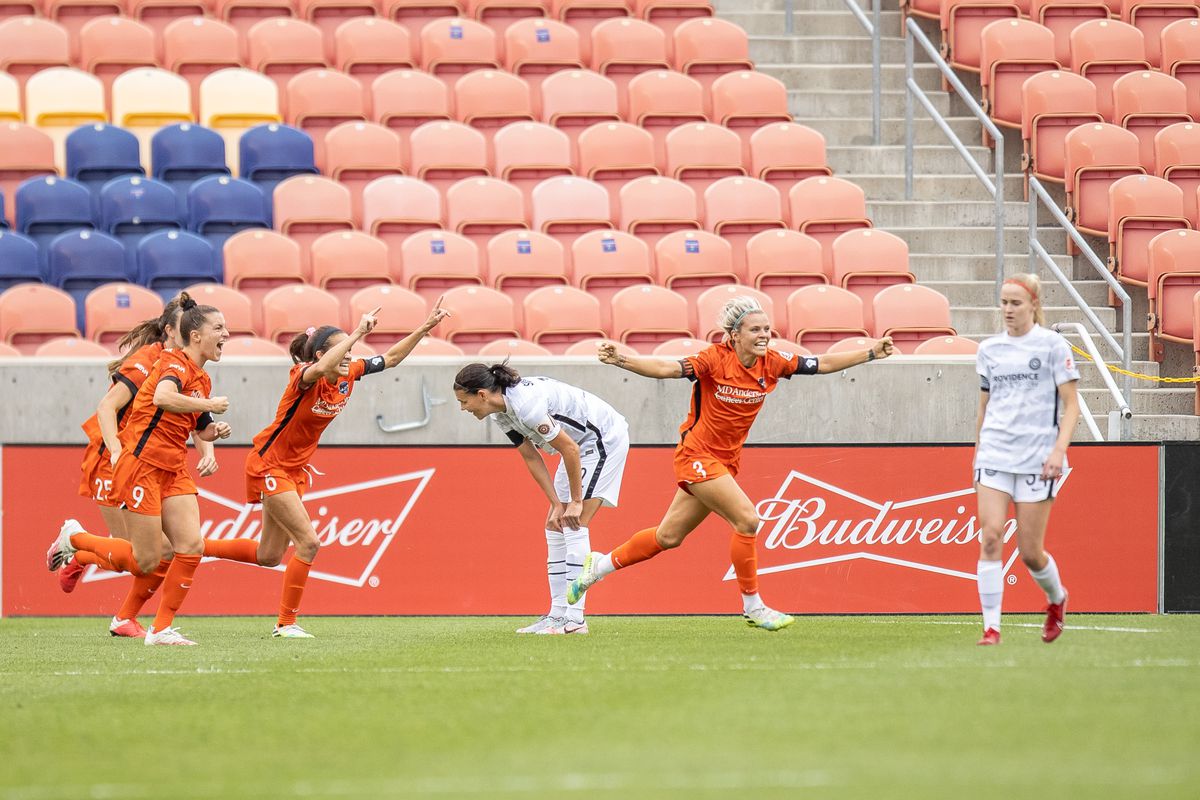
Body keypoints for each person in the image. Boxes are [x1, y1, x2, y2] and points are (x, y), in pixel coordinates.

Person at [566, 296, 894, 629]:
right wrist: (622, 359)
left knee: (668, 537)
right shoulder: (713, 359)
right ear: (735, 335)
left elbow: (819, 364)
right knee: (747, 520)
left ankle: (598, 567)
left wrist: (870, 353)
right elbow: (667, 369)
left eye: (767, 328)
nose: (764, 334)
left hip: (725, 462)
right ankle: (754, 607)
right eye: (755, 329)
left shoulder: (773, 362)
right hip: (696, 456)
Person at [201, 301, 449, 639]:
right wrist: (359, 333)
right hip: (269, 463)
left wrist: (423, 329)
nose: (349, 356)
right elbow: (320, 368)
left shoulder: (347, 375)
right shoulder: (302, 376)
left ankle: (194, 547)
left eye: (350, 350)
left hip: (295, 469)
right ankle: (286, 624)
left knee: (269, 555)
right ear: (319, 356)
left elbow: (390, 359)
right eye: (342, 350)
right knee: (309, 543)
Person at [46, 292, 232, 646]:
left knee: (186, 546)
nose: (226, 335)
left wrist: (210, 440)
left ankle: (154, 627)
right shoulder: (159, 362)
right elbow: (125, 404)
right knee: (141, 557)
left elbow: (195, 420)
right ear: (180, 332)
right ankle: (76, 541)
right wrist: (115, 451)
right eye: (218, 328)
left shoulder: (198, 375)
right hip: (128, 459)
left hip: (170, 463)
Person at [453, 363, 630, 635]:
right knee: (555, 523)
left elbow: (569, 448)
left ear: (482, 395)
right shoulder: (500, 414)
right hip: (578, 446)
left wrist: (574, 501)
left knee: (575, 522)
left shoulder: (526, 407)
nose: (463, 408)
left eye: (464, 402)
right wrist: (556, 503)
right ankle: (557, 615)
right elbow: (531, 456)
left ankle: (576, 619)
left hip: (602, 438)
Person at [973, 273, 1079, 646]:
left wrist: (1058, 450)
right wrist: (978, 454)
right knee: (990, 538)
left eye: (1015, 303)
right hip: (995, 455)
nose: (1007, 310)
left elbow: (1071, 405)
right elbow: (984, 407)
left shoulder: (1053, 346)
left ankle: (1056, 598)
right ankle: (991, 628)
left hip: (1038, 459)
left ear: (1033, 304)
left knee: (1030, 553)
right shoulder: (989, 349)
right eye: (1003, 302)